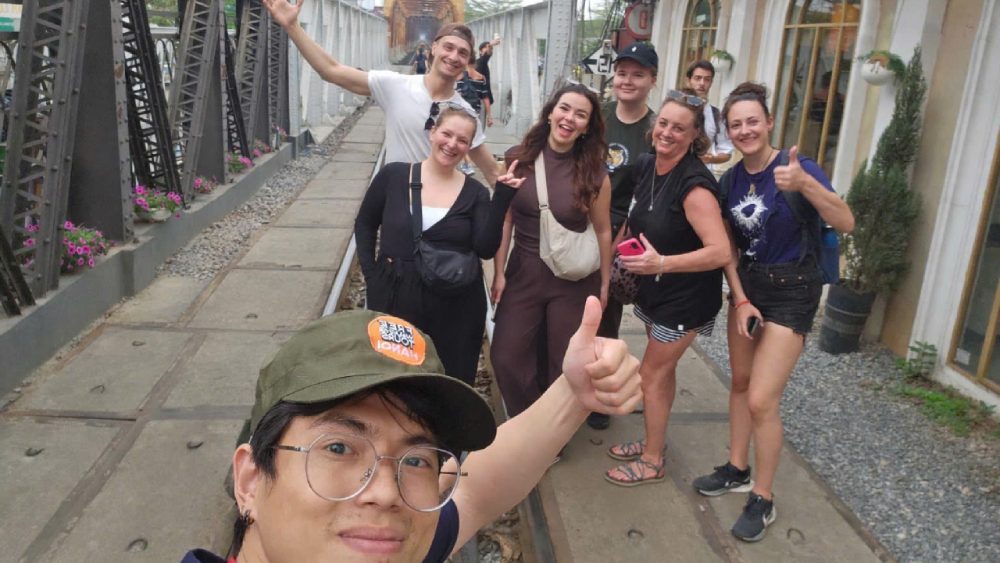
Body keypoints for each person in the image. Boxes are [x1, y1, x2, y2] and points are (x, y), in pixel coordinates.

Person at [179, 297, 642, 562]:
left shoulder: (389, 546)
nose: (386, 493)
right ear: (250, 481)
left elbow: (476, 491)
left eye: (416, 459)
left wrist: (576, 394)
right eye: (339, 447)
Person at [691, 82, 854, 542]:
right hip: (749, 287)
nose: (745, 130)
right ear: (729, 131)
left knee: (762, 398)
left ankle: (762, 496)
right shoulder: (731, 181)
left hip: (793, 291)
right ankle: (737, 468)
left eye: (752, 121)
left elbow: (846, 221)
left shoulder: (797, 167)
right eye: (736, 124)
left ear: (768, 122)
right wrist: (739, 297)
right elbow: (727, 250)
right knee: (739, 384)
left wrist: (804, 183)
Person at [603, 89, 731, 488]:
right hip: (654, 292)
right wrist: (608, 266)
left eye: (680, 128)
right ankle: (652, 440)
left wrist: (662, 263)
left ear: (695, 137)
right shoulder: (647, 165)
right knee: (663, 372)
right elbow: (631, 219)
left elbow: (720, 251)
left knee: (652, 374)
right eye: (663, 124)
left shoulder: (694, 186)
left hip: (685, 299)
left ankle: (653, 459)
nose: (668, 133)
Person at [354, 106, 521, 385]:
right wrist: (373, 277)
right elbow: (365, 223)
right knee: (394, 379)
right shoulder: (394, 176)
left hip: (455, 304)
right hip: (396, 295)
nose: (452, 144)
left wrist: (502, 198)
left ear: (469, 147)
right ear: (432, 132)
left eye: (463, 140)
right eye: (447, 134)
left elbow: (485, 248)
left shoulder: (475, 193)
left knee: (448, 381)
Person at [263, 0, 498, 185]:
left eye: (462, 53)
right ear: (434, 47)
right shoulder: (396, 86)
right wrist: (292, 27)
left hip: (441, 212)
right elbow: (331, 71)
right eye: (448, 47)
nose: (454, 57)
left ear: (468, 60)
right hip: (398, 208)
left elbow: (492, 173)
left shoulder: (465, 114)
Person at [490, 84, 613, 417]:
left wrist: (604, 284)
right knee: (506, 355)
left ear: (588, 126)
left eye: (580, 115)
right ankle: (529, 418)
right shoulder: (518, 159)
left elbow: (603, 230)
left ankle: (552, 433)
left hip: (573, 280)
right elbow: (506, 219)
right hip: (524, 272)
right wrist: (498, 272)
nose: (569, 119)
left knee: (563, 363)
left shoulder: (595, 174)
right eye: (565, 109)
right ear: (550, 112)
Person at [589, 41, 659, 430]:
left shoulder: (655, 128)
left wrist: (626, 235)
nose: (627, 81)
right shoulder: (598, 116)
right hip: (580, 222)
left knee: (606, 314)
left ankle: (601, 397)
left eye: (638, 74)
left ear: (651, 79)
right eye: (622, 73)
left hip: (620, 230)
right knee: (570, 306)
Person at [684, 60, 734, 173]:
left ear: (711, 83)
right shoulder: (675, 107)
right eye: (697, 78)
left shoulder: (716, 115)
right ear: (688, 81)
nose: (702, 83)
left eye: (707, 79)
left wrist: (711, 159)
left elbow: (726, 151)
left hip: (699, 175)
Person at [454, 63, 491, 175]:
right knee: (468, 138)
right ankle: (466, 163)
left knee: (460, 137)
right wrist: (489, 115)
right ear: (475, 63)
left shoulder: (458, 76)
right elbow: (485, 98)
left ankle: (467, 164)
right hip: (475, 112)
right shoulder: (481, 78)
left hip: (461, 111)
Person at [474, 37, 501, 128]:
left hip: (480, 99)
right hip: (479, 101)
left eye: (491, 49)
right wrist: (490, 44)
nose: (490, 50)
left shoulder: (480, 63)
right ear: (481, 51)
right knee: (479, 128)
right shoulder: (481, 62)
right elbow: (486, 56)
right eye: (487, 48)